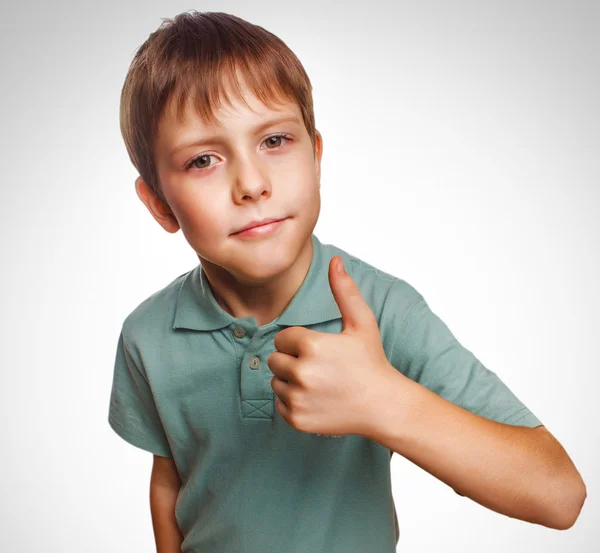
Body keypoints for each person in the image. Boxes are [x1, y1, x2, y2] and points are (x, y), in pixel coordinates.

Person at [108, 10, 586, 553]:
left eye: (274, 141)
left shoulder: (384, 311)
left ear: (315, 156)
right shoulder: (147, 334)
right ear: (158, 204)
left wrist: (384, 401)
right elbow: (170, 478)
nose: (252, 183)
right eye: (203, 160)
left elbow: (559, 496)